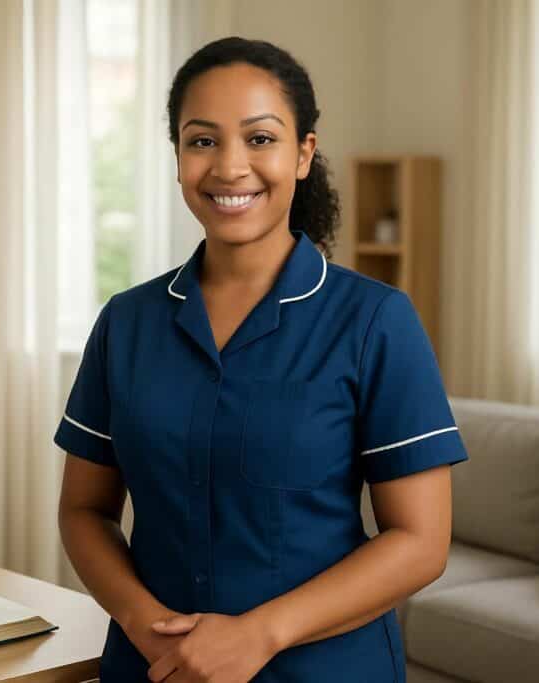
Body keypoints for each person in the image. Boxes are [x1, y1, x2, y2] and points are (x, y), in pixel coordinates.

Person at [55, 36, 468, 682]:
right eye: (201, 140)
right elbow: (84, 511)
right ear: (177, 158)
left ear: (303, 153)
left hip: (324, 668)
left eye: (260, 138)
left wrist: (257, 636)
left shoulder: (376, 321)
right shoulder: (126, 323)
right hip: (154, 668)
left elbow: (420, 542)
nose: (228, 166)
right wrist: (146, 627)